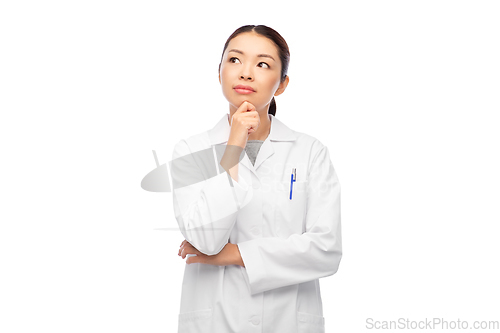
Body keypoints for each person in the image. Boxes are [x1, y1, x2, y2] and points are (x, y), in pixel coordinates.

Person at [172, 24, 342, 333]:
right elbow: (205, 241)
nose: (246, 73)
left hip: (288, 320)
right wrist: (234, 145)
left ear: (282, 84)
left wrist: (236, 255)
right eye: (235, 60)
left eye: (262, 64)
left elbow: (326, 250)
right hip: (214, 322)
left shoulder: (309, 152)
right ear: (219, 72)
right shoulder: (190, 150)